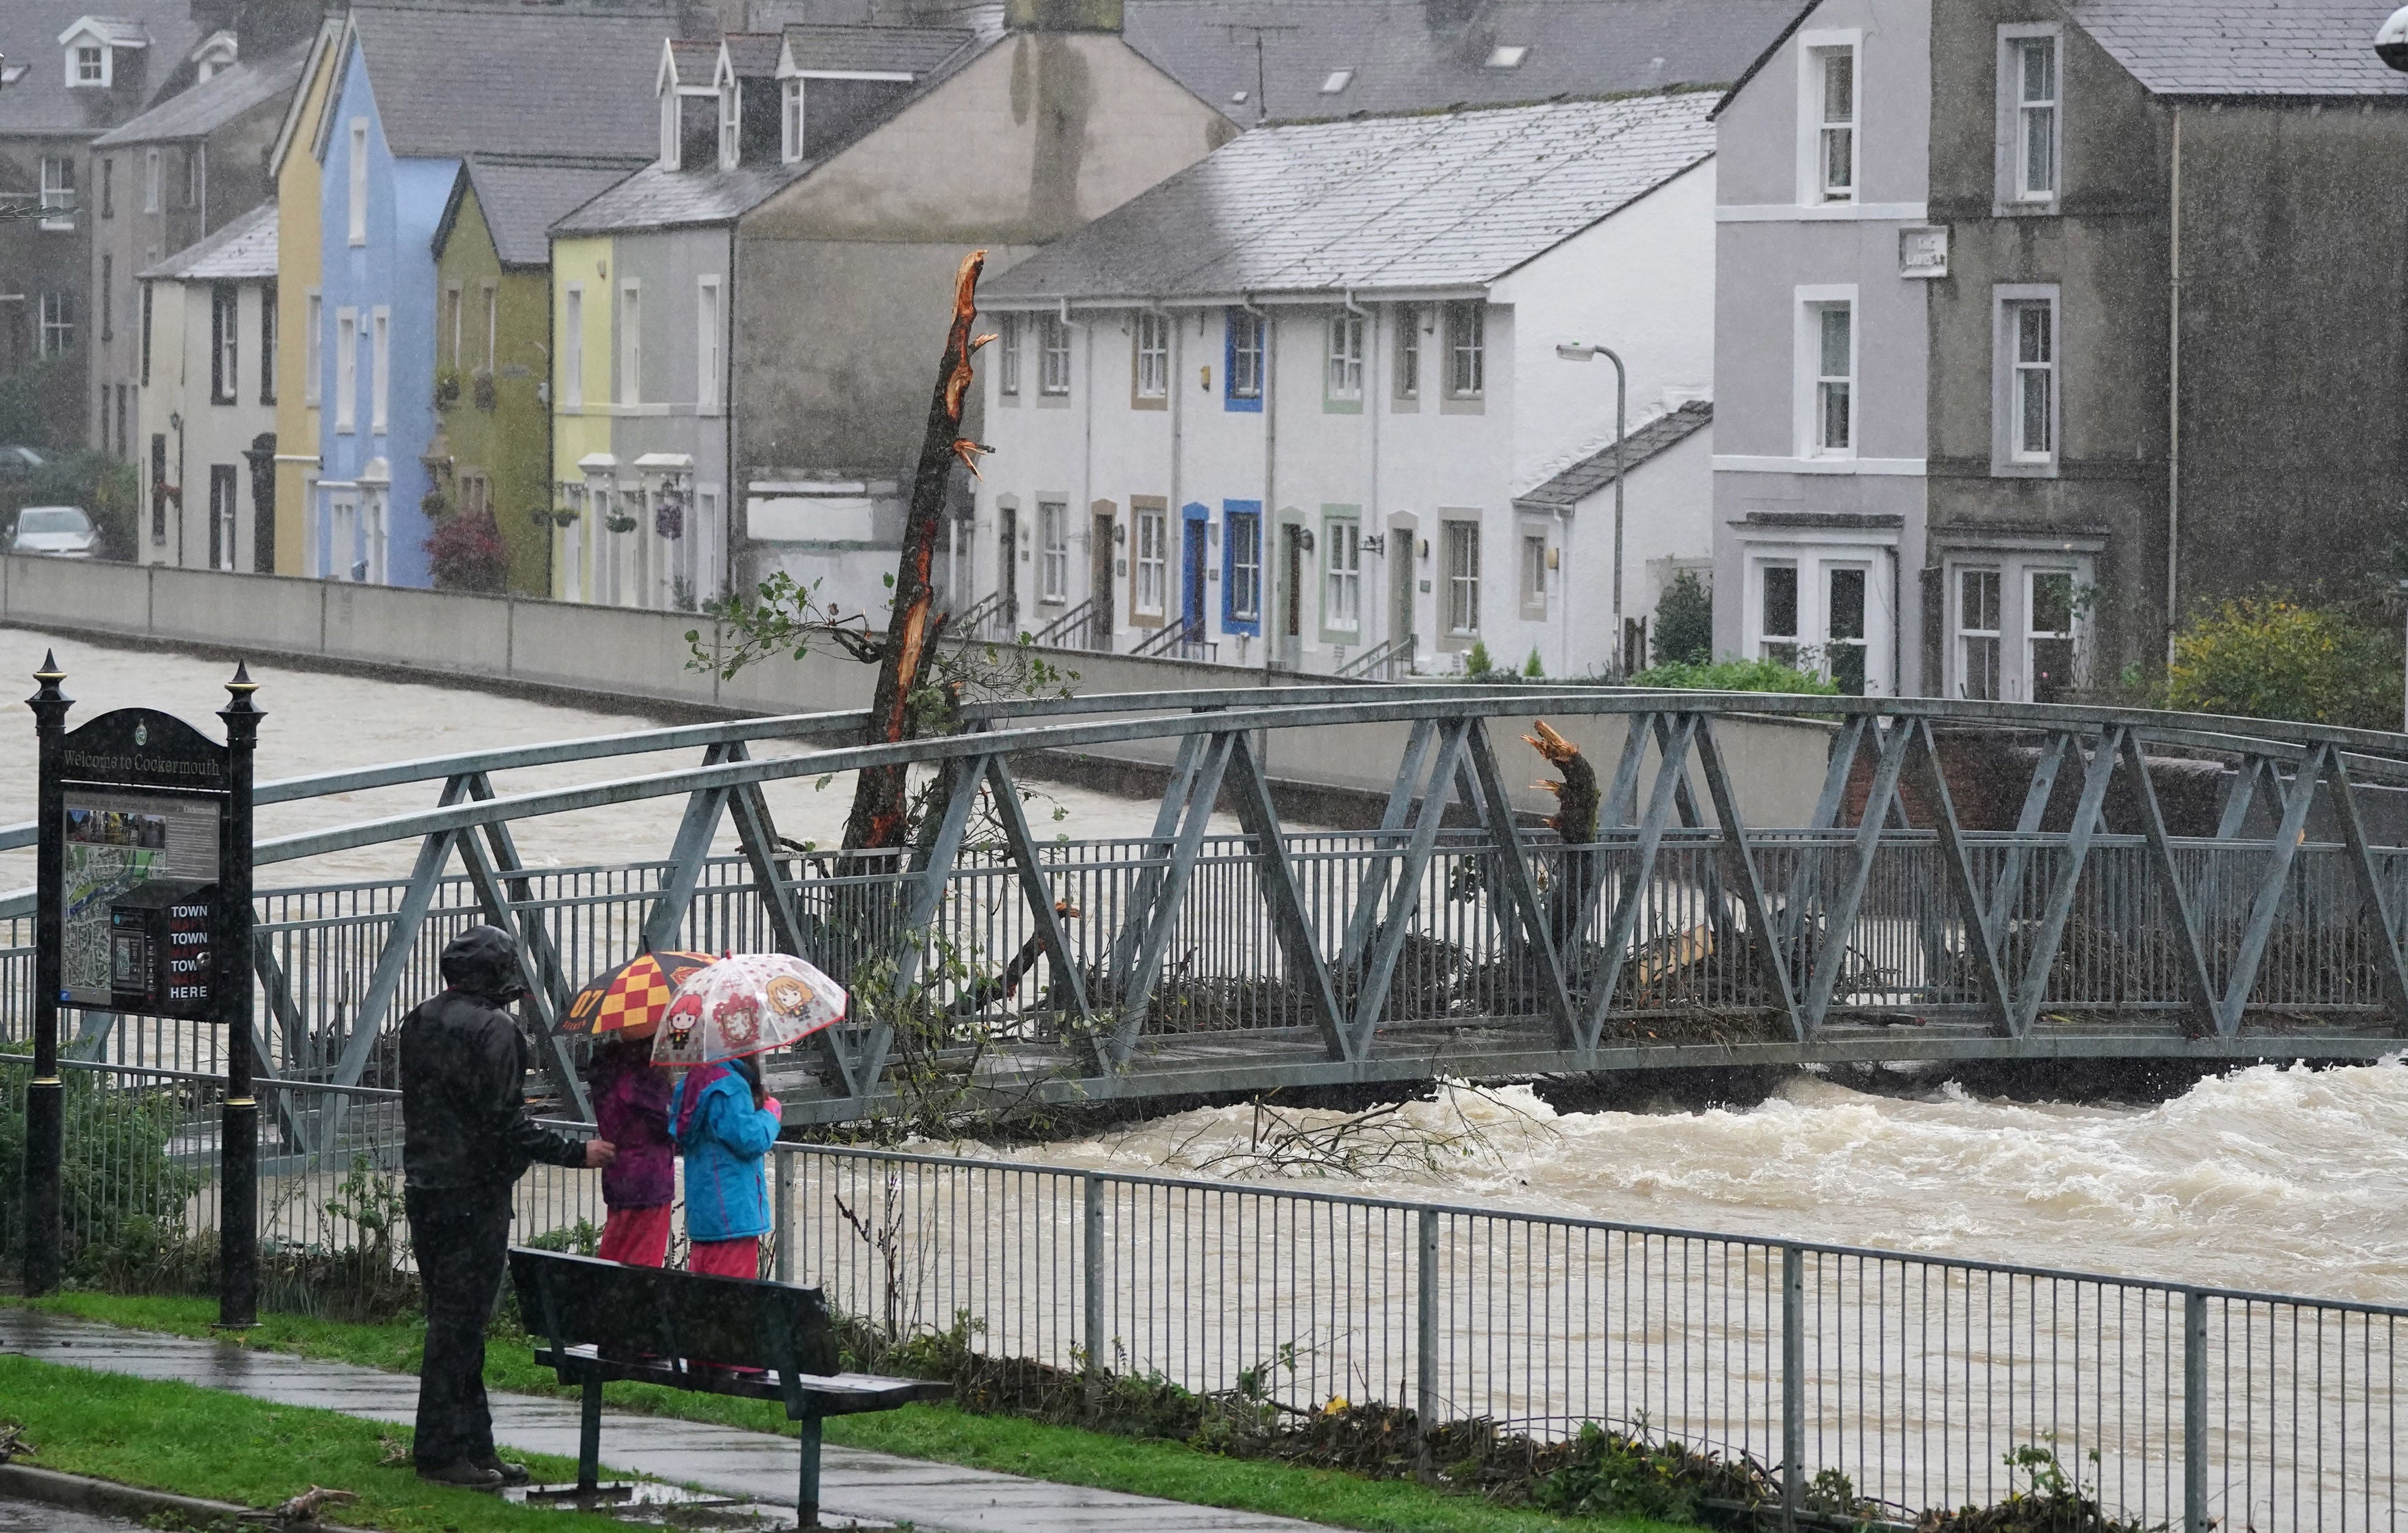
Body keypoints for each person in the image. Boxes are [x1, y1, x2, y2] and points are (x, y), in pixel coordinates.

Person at [399, 925, 616, 1490]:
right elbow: (506, 1125)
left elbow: (435, 1107)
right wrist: (577, 1153)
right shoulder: (498, 1031)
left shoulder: (418, 1020)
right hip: (475, 1193)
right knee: (460, 1326)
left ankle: (475, 1446)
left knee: (453, 1320)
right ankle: (442, 1452)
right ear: (500, 975)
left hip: (426, 1186)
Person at [667, 1051, 781, 1278]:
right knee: (733, 1301)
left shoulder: (694, 1081)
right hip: (734, 1214)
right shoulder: (730, 1086)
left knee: (706, 1299)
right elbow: (749, 1140)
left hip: (705, 1216)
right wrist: (771, 1113)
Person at [588, 1033, 674, 1266]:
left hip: (619, 1177)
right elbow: (669, 1126)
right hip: (650, 1182)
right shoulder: (645, 1077)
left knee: (615, 1260)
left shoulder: (609, 1073)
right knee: (645, 1267)